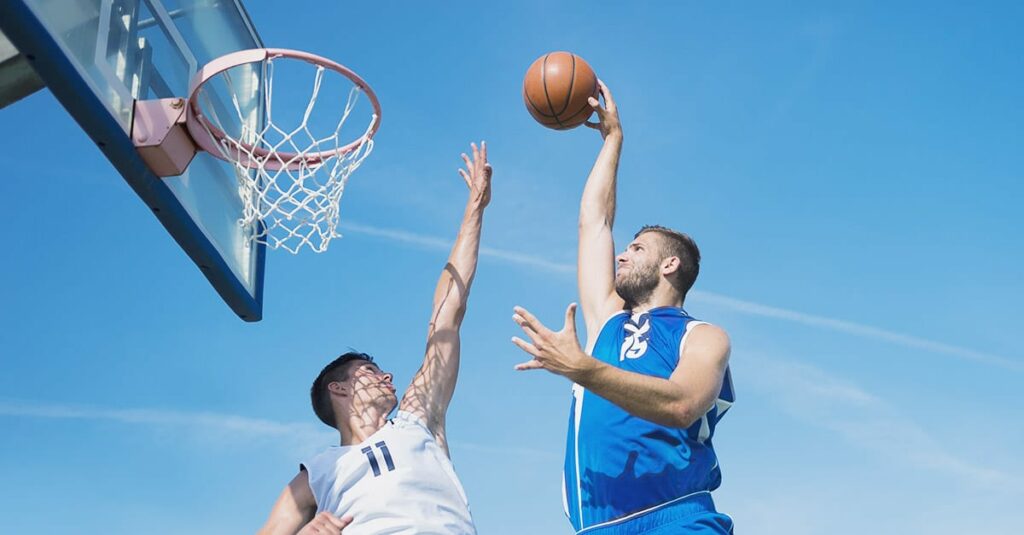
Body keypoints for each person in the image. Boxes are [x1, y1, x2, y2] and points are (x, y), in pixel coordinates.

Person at [511, 83, 735, 534]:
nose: (621, 254)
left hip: (675, 516)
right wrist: (613, 140)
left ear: (669, 264)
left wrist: (583, 370)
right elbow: (595, 221)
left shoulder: (703, 336)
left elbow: (684, 404)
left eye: (636, 248)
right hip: (595, 527)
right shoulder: (608, 318)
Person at [258, 142, 493, 535]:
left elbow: (447, 313)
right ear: (338, 389)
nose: (388, 377)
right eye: (370, 370)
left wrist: (475, 210)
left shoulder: (417, 420)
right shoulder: (316, 472)